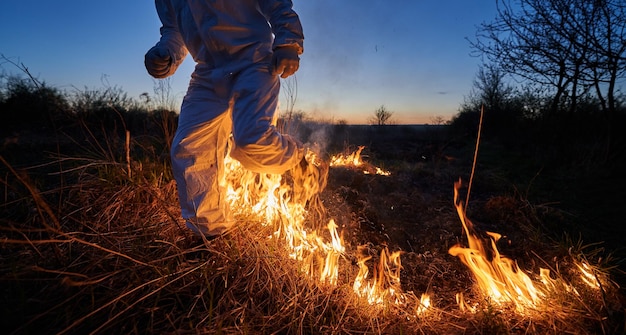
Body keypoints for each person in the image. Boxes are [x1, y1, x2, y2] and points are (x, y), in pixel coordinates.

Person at [145, 0, 314, 238]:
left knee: (252, 140)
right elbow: (174, 31)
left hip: (253, 61)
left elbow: (275, 3)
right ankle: (210, 233)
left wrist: (288, 41)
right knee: (189, 148)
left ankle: (297, 159)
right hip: (207, 73)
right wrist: (165, 54)